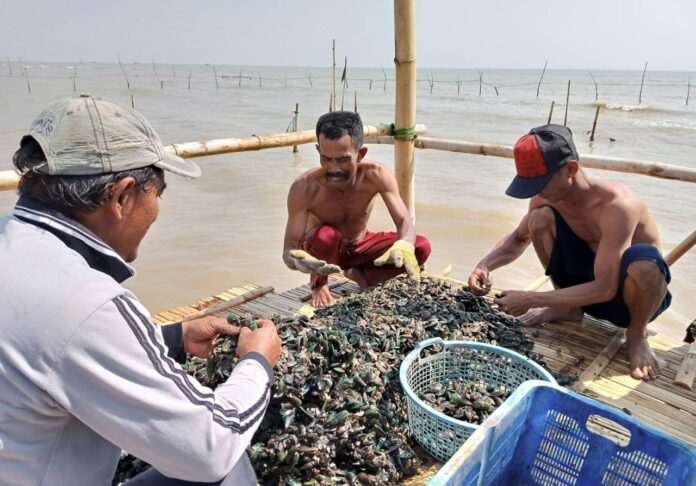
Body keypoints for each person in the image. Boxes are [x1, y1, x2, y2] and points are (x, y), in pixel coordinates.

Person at [0, 95, 282, 485]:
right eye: (158, 194)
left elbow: (47, 350)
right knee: (226, 470)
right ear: (122, 196)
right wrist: (257, 362)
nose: (157, 210)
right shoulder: (87, 301)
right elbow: (211, 446)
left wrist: (174, 336)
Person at [468, 124, 671, 381]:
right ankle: (568, 309)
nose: (537, 193)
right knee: (538, 219)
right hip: (583, 290)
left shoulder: (618, 206)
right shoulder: (544, 197)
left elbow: (605, 288)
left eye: (541, 184)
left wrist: (531, 298)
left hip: (628, 301)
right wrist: (484, 265)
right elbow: (518, 238)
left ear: (571, 169)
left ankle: (636, 335)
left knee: (645, 262)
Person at [282, 111, 431, 308]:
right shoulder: (304, 187)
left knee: (421, 246)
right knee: (326, 235)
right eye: (326, 159)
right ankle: (319, 285)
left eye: (343, 160)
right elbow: (289, 249)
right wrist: (298, 261)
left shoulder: (376, 174)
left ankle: (360, 273)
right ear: (318, 151)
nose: (333, 168)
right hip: (323, 252)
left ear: (361, 154)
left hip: (361, 243)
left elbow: (404, 222)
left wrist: (404, 244)